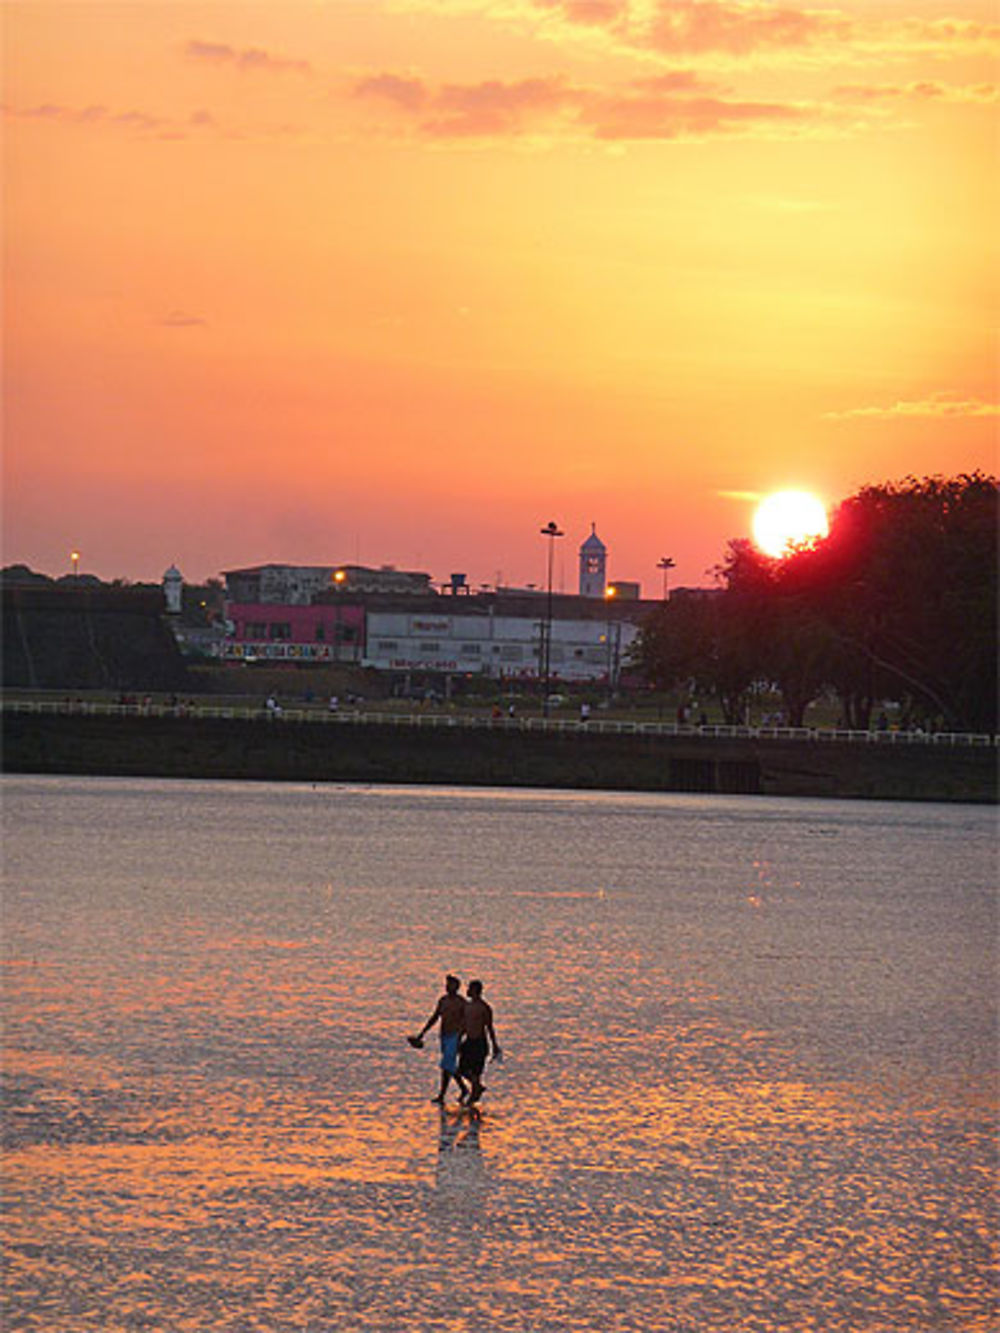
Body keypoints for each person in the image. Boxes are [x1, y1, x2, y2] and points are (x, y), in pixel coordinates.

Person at [411, 975, 468, 1104]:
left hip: (455, 1036)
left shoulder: (461, 1002)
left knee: (446, 1065)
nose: (447, 987)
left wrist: (461, 1035)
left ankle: (443, 1094)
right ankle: (463, 1089)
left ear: (457, 987)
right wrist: (422, 1033)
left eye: (451, 985)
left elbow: (466, 1020)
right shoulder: (443, 1000)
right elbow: (435, 1017)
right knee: (448, 1066)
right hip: (444, 1035)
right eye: (447, 985)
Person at [458, 979, 501, 1105]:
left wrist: (495, 1045)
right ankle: (477, 1087)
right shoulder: (467, 1006)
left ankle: (473, 1098)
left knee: (476, 1071)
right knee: (462, 1069)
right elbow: (463, 1025)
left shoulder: (484, 1008)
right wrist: (458, 1040)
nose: (467, 991)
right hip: (468, 1041)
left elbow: (489, 1027)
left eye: (470, 989)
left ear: (476, 991)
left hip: (480, 1042)